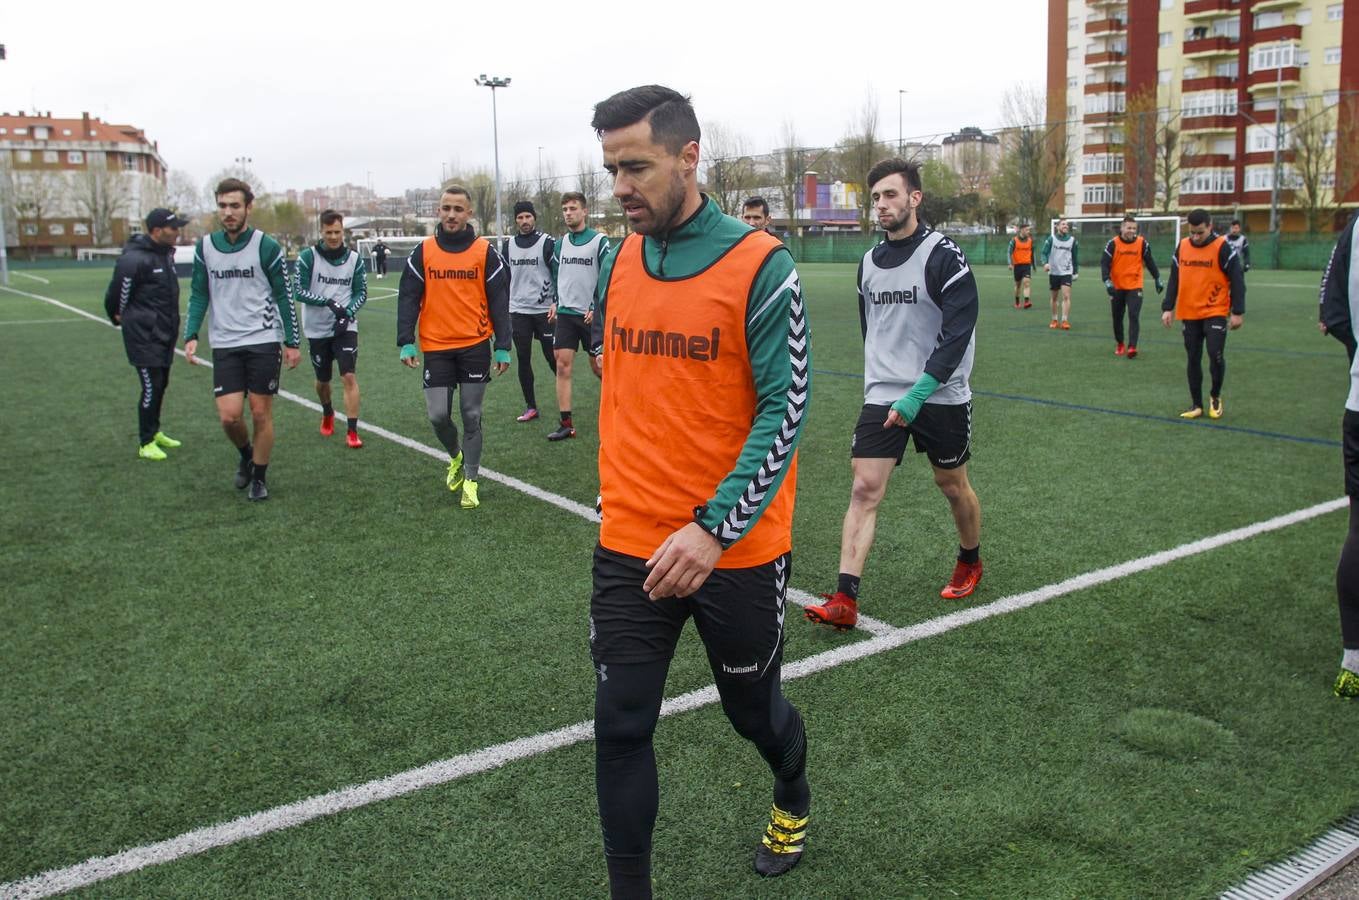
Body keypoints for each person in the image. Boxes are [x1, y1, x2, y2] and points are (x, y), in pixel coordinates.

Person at [587, 84, 813, 894]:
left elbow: (785, 411)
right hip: (630, 542)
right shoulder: (618, 259)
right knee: (619, 724)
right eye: (612, 168)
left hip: (735, 546)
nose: (620, 187)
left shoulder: (762, 264)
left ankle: (791, 788)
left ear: (689, 157)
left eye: (636, 166)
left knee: (753, 714)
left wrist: (713, 528)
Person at [805, 156, 982, 634]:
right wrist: (889, 388)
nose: (881, 205)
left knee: (951, 485)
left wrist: (918, 393)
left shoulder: (944, 255)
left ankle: (970, 559)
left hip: (940, 393)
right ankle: (844, 597)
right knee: (864, 488)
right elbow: (873, 331)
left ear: (914, 198)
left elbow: (957, 333)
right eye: (876, 197)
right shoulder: (867, 263)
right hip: (884, 393)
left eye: (890, 195)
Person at [182, 178, 301, 501]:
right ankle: (246, 454)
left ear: (248, 208)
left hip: (263, 339)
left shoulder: (266, 246)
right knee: (229, 416)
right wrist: (191, 333)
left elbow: (283, 295)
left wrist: (292, 341)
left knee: (260, 412)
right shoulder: (205, 248)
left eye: (235, 205)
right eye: (223, 205)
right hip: (224, 343)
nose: (228, 212)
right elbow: (198, 293)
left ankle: (259, 478)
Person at [396, 185, 510, 509]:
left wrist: (503, 345)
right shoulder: (423, 251)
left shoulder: (485, 252)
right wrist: (406, 341)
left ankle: (471, 480)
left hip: (475, 345)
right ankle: (456, 456)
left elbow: (500, 302)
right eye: (446, 208)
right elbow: (408, 298)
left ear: (469, 213)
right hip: (436, 347)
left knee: (471, 415)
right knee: (438, 416)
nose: (451, 214)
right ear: (438, 210)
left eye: (458, 209)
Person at [104, 207, 189, 460]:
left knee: (161, 384)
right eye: (173, 228)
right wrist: (120, 317)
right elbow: (116, 295)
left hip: (164, 334)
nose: (177, 232)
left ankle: (155, 431)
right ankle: (145, 441)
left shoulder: (164, 255)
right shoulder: (134, 259)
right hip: (144, 336)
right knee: (151, 387)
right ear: (156, 231)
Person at [1319, 208, 1359, 698]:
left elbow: (1332, 310)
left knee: (1358, 527)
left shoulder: (1354, 226)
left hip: (1358, 403)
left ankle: (1353, 657)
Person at [1161, 208, 1245, 419]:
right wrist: (1167, 307)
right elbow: (1174, 278)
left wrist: (1237, 312)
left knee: (1215, 354)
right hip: (1189, 311)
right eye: (1192, 233)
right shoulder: (1182, 247)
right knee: (1193, 357)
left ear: (1210, 226)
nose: (1196, 237)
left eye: (1200, 232)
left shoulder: (1222, 247)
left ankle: (1215, 396)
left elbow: (1237, 279)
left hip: (1215, 310)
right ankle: (1196, 404)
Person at [294, 209, 368, 448]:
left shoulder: (355, 259)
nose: (333, 237)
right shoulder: (308, 257)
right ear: (321, 231)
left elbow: (361, 292)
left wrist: (346, 313)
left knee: (348, 375)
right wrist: (327, 302)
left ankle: (352, 431)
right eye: (329, 232)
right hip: (317, 329)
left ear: (343, 230)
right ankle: (327, 411)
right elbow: (299, 291)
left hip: (345, 327)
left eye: (337, 232)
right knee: (322, 380)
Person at [546, 191, 609, 441]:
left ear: (584, 211)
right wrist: (554, 302)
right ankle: (566, 424)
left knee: (599, 367)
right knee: (562, 365)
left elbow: (607, 276)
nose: (568, 213)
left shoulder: (599, 241)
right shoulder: (560, 244)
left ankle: (620, 413)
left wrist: (597, 307)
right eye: (565, 209)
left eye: (573, 208)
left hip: (592, 316)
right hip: (566, 314)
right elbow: (555, 276)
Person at [504, 199, 556, 423]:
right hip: (518, 311)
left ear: (534, 217)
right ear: (515, 220)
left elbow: (558, 273)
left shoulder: (547, 243)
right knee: (523, 359)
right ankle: (531, 406)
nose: (524, 221)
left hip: (545, 311)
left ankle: (566, 399)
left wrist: (556, 301)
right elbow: (505, 278)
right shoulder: (508, 245)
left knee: (552, 357)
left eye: (528, 216)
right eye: (520, 217)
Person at [1100, 215, 1163, 358]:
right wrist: (1107, 281)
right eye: (1128, 228)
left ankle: (1132, 347)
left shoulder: (1142, 243)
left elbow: (1150, 261)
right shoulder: (1112, 244)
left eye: (1134, 228)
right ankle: (1120, 343)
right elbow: (1104, 263)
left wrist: (1157, 277)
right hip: (1117, 287)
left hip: (1135, 286)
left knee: (1134, 315)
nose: (1131, 231)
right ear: (1122, 228)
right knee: (1117, 317)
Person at [1041, 218, 1079, 329]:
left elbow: (1075, 257)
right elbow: (1044, 253)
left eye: (1066, 225)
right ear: (1057, 227)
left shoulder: (1072, 240)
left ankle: (1064, 321)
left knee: (1066, 296)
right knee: (1054, 298)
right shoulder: (1051, 239)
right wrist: (1045, 263)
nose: (1065, 226)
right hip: (1054, 272)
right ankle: (1054, 319)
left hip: (1066, 271)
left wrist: (1075, 271)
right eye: (1063, 224)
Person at [1007, 222, 1034, 309]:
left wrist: (1034, 265)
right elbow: (1009, 252)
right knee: (1018, 285)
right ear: (1021, 230)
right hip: (1017, 266)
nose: (1028, 231)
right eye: (1027, 230)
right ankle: (1017, 301)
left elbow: (1032, 253)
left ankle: (1026, 301)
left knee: (1026, 283)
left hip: (1026, 265)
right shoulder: (1014, 241)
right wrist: (1010, 263)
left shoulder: (1030, 240)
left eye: (1029, 230)